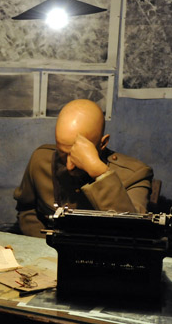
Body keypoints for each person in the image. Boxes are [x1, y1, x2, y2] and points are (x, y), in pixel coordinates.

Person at [13, 99, 153, 238]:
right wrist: (46, 245)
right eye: (62, 153)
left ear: (102, 143)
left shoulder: (135, 175)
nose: (69, 166)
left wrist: (100, 172)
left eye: (77, 155)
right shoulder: (41, 159)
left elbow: (133, 233)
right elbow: (27, 210)